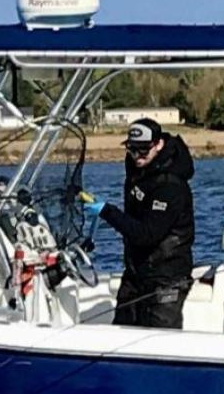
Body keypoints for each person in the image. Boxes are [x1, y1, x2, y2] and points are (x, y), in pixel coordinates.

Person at [83, 118, 195, 329]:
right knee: (122, 330)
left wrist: (107, 211)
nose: (137, 156)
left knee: (157, 338)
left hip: (166, 278)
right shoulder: (138, 170)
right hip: (136, 273)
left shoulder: (170, 187)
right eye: (132, 149)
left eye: (143, 150)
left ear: (158, 144)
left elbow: (147, 234)